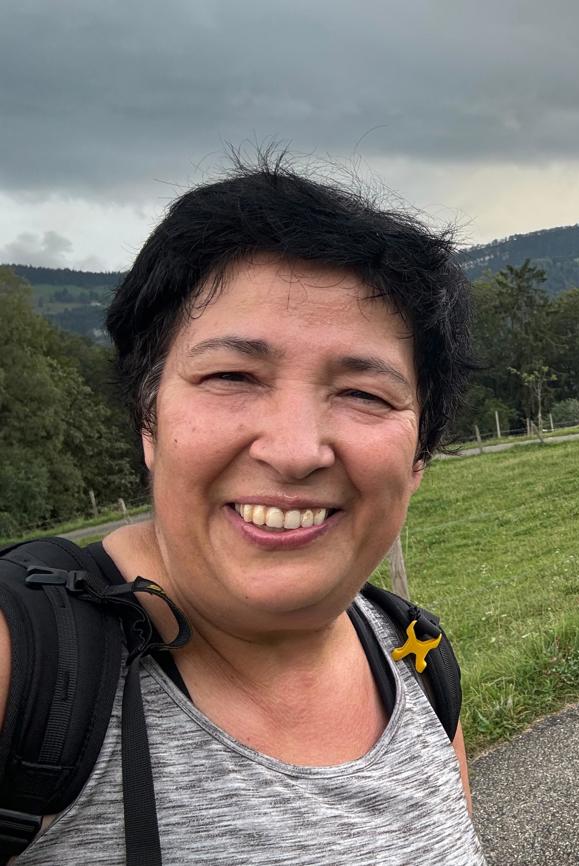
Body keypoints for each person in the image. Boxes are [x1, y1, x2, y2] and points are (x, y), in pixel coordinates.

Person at [0, 157, 485, 864]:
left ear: (418, 457)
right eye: (231, 376)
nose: (293, 451)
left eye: (363, 393)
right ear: (148, 417)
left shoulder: (417, 659)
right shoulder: (25, 668)